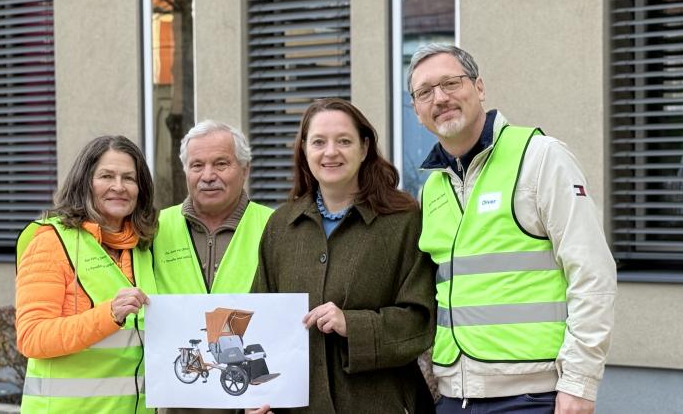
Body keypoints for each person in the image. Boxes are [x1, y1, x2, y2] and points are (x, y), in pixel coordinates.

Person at [406, 43, 617, 414]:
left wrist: (580, 384)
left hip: (533, 397)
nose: (439, 98)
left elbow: (592, 273)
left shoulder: (541, 157)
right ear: (416, 110)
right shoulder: (432, 189)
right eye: (425, 92)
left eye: (450, 83)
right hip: (456, 396)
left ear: (479, 88)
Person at [250, 98, 437, 414]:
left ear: (364, 149)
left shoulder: (403, 221)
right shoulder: (281, 225)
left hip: (381, 404)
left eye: (344, 141)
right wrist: (257, 396)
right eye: (319, 142)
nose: (330, 152)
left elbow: (421, 321)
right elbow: (261, 321)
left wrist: (352, 324)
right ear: (305, 150)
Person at [16, 135, 157, 413]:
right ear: (85, 182)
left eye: (129, 178)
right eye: (106, 176)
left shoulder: (142, 246)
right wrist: (110, 315)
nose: (119, 187)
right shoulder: (51, 242)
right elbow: (32, 336)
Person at [153, 120, 273, 414]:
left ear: (245, 170)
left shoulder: (275, 227)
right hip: (172, 405)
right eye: (197, 165)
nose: (208, 176)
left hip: (251, 407)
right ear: (185, 172)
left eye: (221, 163)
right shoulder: (154, 230)